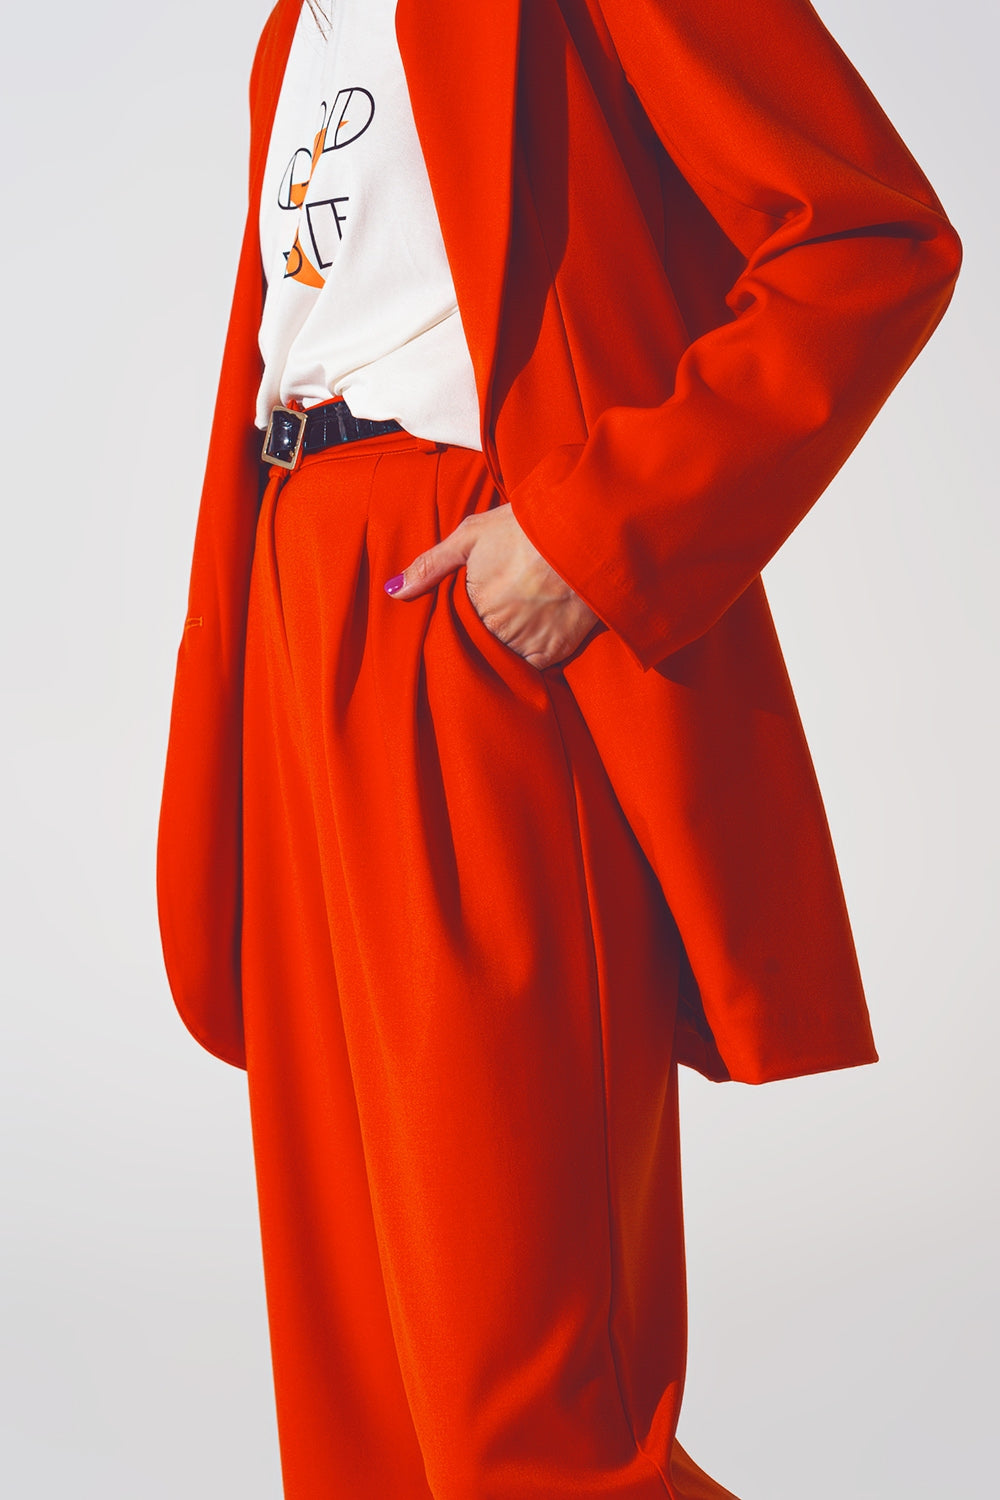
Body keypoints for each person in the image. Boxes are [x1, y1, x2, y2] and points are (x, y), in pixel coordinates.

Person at [156, 0, 961, 1495]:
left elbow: (868, 242)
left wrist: (598, 535)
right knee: (360, 1395)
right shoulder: (291, 32)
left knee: (529, 1414)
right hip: (297, 592)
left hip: (463, 603)